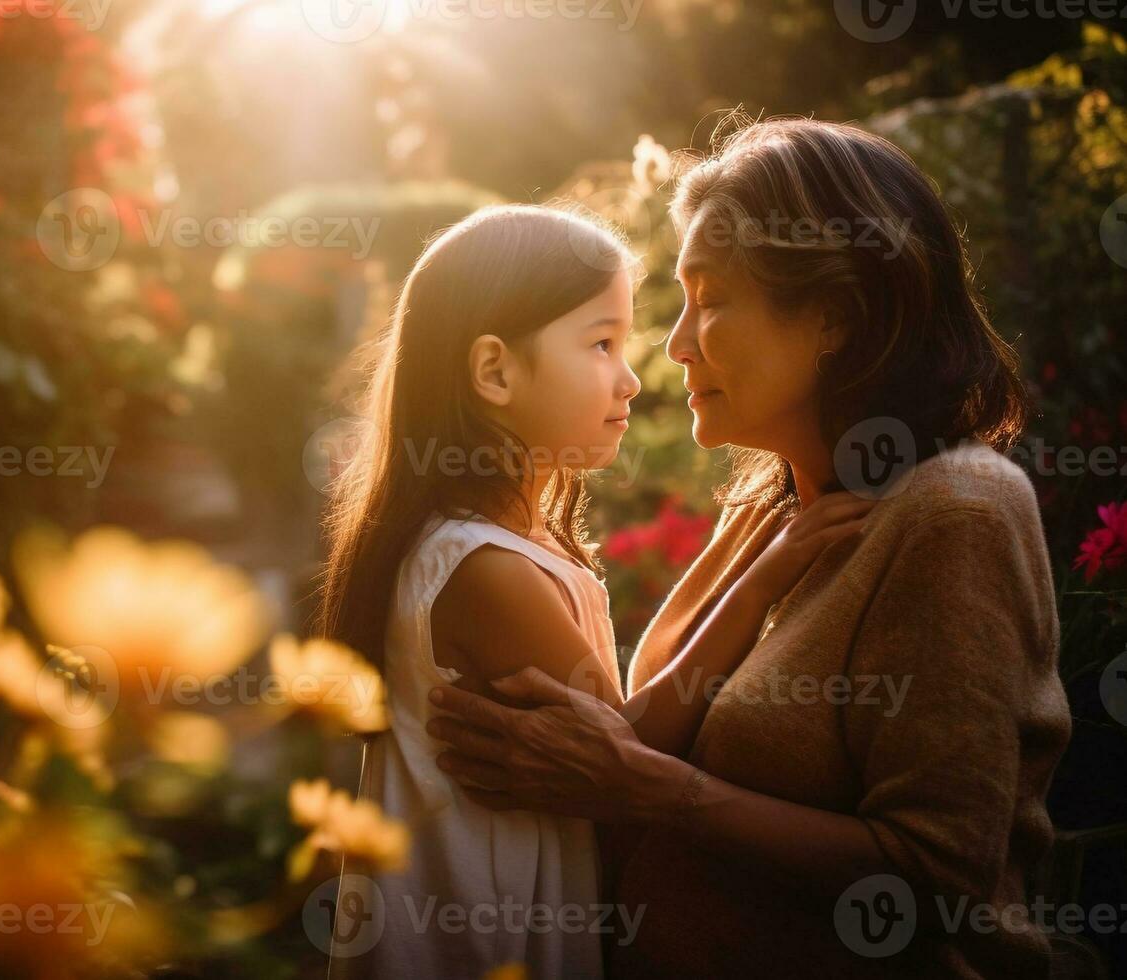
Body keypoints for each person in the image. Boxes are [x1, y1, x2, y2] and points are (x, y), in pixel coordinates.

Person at [426, 119, 1071, 977]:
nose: (676, 341)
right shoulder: (772, 503)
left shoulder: (955, 513)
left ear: (834, 318)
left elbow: (939, 882)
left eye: (712, 298)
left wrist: (647, 791)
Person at [314, 203, 868, 978]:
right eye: (601, 344)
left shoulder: (491, 546)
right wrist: (761, 580)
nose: (632, 377)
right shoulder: (484, 571)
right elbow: (625, 755)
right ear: (495, 372)